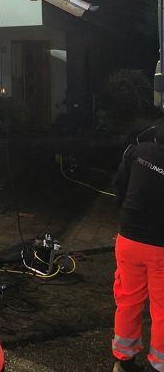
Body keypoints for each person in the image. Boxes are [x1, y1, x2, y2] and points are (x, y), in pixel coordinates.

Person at [112, 128, 164, 372]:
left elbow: (119, 188)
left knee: (128, 301)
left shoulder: (137, 151)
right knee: (162, 309)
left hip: (128, 239)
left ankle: (124, 361)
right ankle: (159, 365)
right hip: (160, 247)